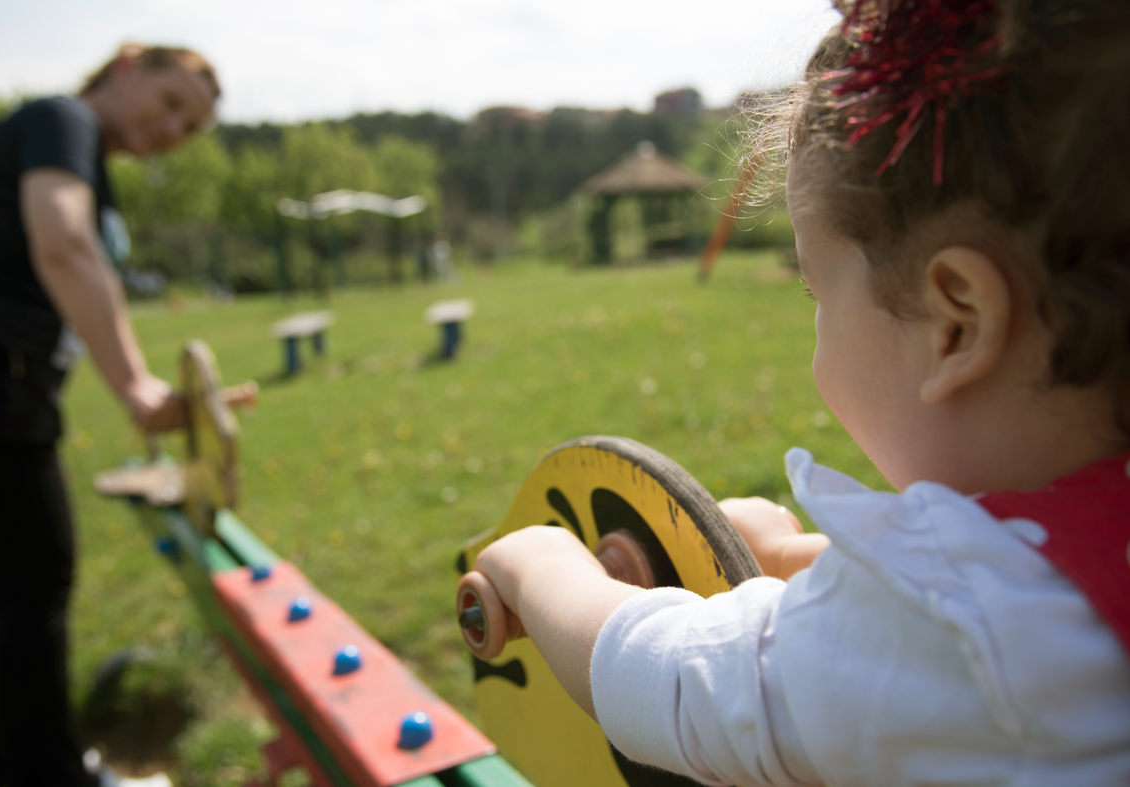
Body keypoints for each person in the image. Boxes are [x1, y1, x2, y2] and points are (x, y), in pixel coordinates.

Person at [473, 1, 1130, 784]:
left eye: (817, 292)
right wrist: (790, 557)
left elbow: (678, 683)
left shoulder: (957, 631)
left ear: (955, 322)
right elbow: (1007, 590)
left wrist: (544, 564)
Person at [0, 44, 218, 787]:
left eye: (188, 127)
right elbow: (64, 242)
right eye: (170, 102)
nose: (172, 130)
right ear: (125, 68)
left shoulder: (74, 144)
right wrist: (134, 383)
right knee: (32, 586)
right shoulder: (62, 119)